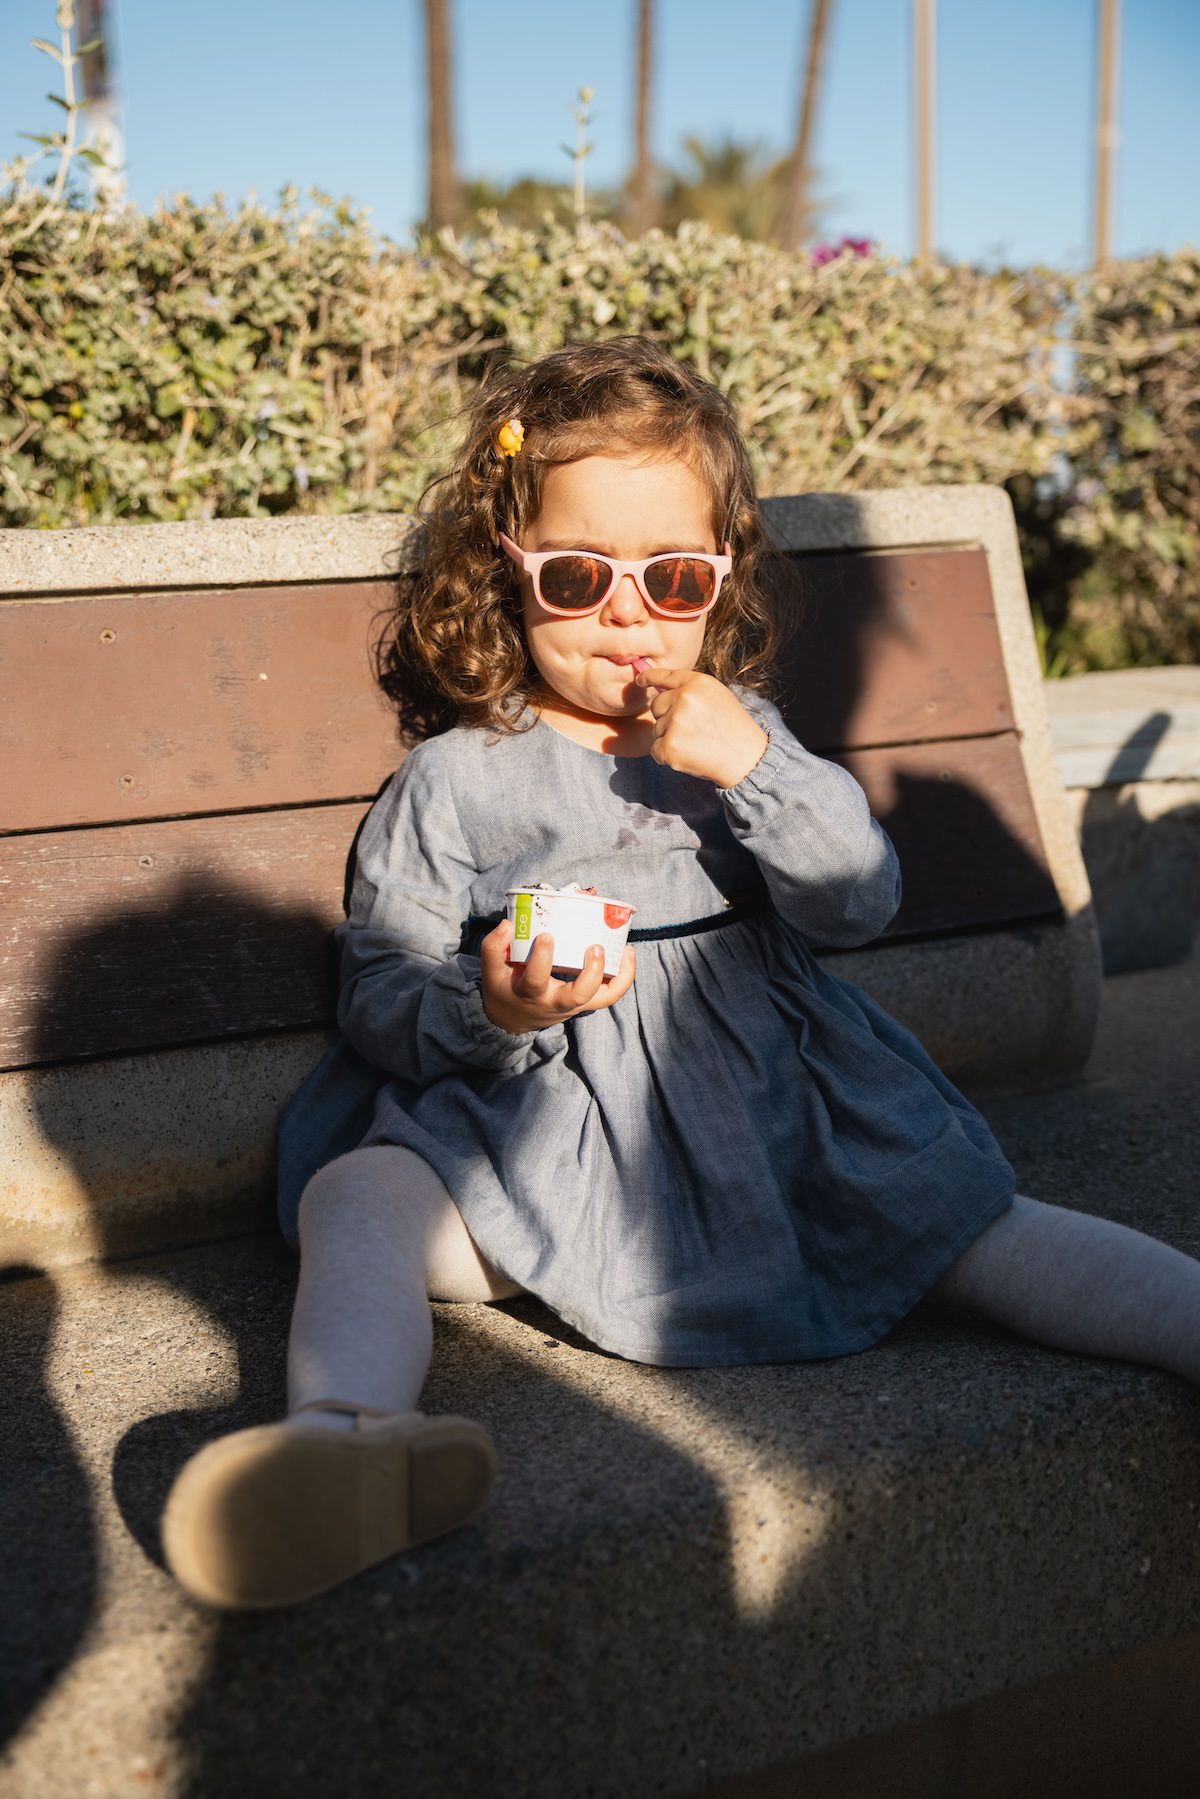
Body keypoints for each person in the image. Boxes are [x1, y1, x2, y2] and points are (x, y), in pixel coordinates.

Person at [162, 336, 1200, 1611]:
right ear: (511, 565)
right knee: (361, 1195)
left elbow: (857, 902)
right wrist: (493, 1002)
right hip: (544, 1134)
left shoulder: (744, 731)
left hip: (783, 1114)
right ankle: (344, 1438)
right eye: (582, 574)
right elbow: (379, 983)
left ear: (724, 579)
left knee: (974, 1222)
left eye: (674, 579)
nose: (627, 615)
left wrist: (753, 768)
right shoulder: (456, 777)